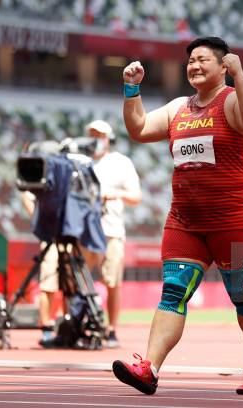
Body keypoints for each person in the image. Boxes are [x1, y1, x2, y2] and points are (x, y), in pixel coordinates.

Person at [112, 37, 243, 395]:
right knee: (172, 292)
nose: (195, 66)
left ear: (222, 66)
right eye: (190, 62)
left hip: (233, 218)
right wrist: (131, 88)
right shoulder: (177, 109)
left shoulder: (231, 100)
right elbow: (137, 130)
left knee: (242, 295)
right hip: (184, 220)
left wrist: (240, 74)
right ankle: (148, 368)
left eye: (203, 60)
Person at [85, 119, 142, 348]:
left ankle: (111, 330)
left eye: (99, 135)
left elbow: (136, 197)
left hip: (112, 229)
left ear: (108, 139)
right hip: (84, 230)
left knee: (113, 282)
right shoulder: (81, 160)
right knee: (79, 281)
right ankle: (79, 324)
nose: (95, 139)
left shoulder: (120, 162)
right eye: (91, 134)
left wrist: (110, 193)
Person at [22, 192, 66, 344]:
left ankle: (69, 327)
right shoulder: (44, 171)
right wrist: (40, 220)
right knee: (48, 285)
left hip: (70, 234)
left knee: (71, 287)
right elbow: (26, 196)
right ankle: (46, 327)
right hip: (50, 237)